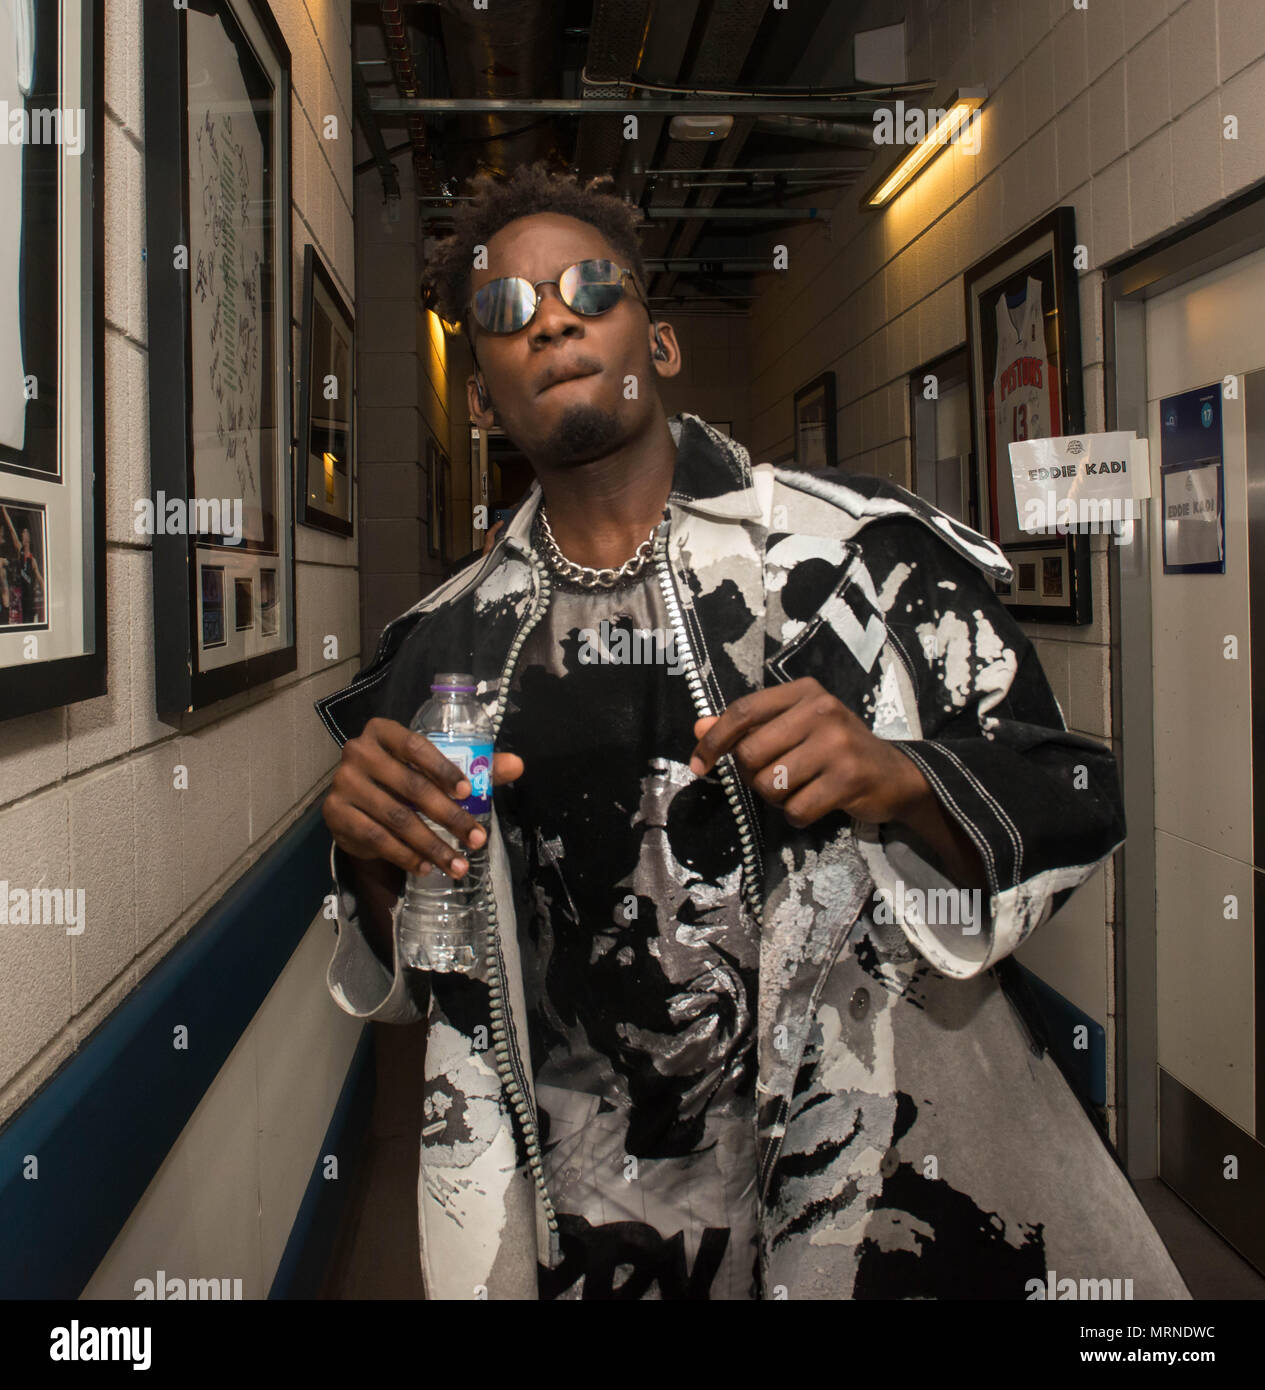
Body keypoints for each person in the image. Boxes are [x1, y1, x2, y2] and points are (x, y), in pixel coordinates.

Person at [316, 163, 1189, 1301]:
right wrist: (379, 863)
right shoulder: (444, 654)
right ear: (479, 398)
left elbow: (1076, 790)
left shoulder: (858, 559)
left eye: (591, 286)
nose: (554, 318)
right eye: (502, 309)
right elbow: (439, 976)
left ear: (658, 343)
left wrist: (904, 778)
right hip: (603, 1216)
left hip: (881, 1167)